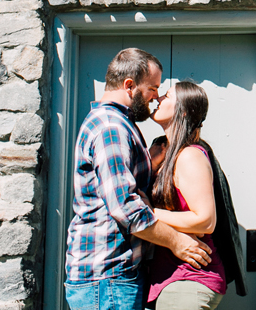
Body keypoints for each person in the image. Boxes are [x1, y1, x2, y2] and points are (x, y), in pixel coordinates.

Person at [65, 49, 212, 310]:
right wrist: (177, 242)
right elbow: (125, 207)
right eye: (153, 88)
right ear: (129, 86)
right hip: (108, 275)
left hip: (112, 277)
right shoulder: (111, 127)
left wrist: (149, 161)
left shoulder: (119, 124)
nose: (156, 96)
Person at [145, 81, 237, 310]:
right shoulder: (166, 154)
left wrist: (148, 213)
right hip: (176, 279)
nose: (157, 99)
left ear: (183, 111)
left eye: (166, 96)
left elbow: (204, 221)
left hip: (189, 280)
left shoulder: (189, 156)